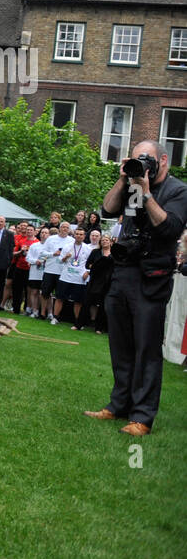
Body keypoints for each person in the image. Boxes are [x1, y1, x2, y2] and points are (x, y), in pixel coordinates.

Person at [85, 141, 187, 435]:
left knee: (146, 348)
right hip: (123, 272)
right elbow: (106, 209)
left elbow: (168, 228)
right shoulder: (129, 183)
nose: (142, 165)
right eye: (137, 159)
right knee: (121, 345)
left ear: (163, 160)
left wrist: (146, 191)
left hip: (152, 277)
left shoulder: (178, 191)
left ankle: (142, 416)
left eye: (147, 159)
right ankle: (118, 406)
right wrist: (123, 178)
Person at [75, 231, 113, 333]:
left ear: (110, 242)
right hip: (94, 281)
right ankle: (79, 324)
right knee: (86, 303)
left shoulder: (113, 254)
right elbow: (88, 265)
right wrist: (96, 266)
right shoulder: (95, 252)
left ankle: (99, 328)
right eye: (103, 240)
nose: (104, 242)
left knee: (102, 306)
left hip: (106, 283)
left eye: (106, 240)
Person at [10, 222, 37, 315]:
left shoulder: (36, 242)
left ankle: (27, 309)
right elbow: (14, 253)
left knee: (28, 290)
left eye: (31, 230)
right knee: (17, 288)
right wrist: (21, 252)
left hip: (30, 269)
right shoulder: (21, 241)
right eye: (28, 230)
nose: (29, 231)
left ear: (35, 232)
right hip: (19, 267)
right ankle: (15, 308)